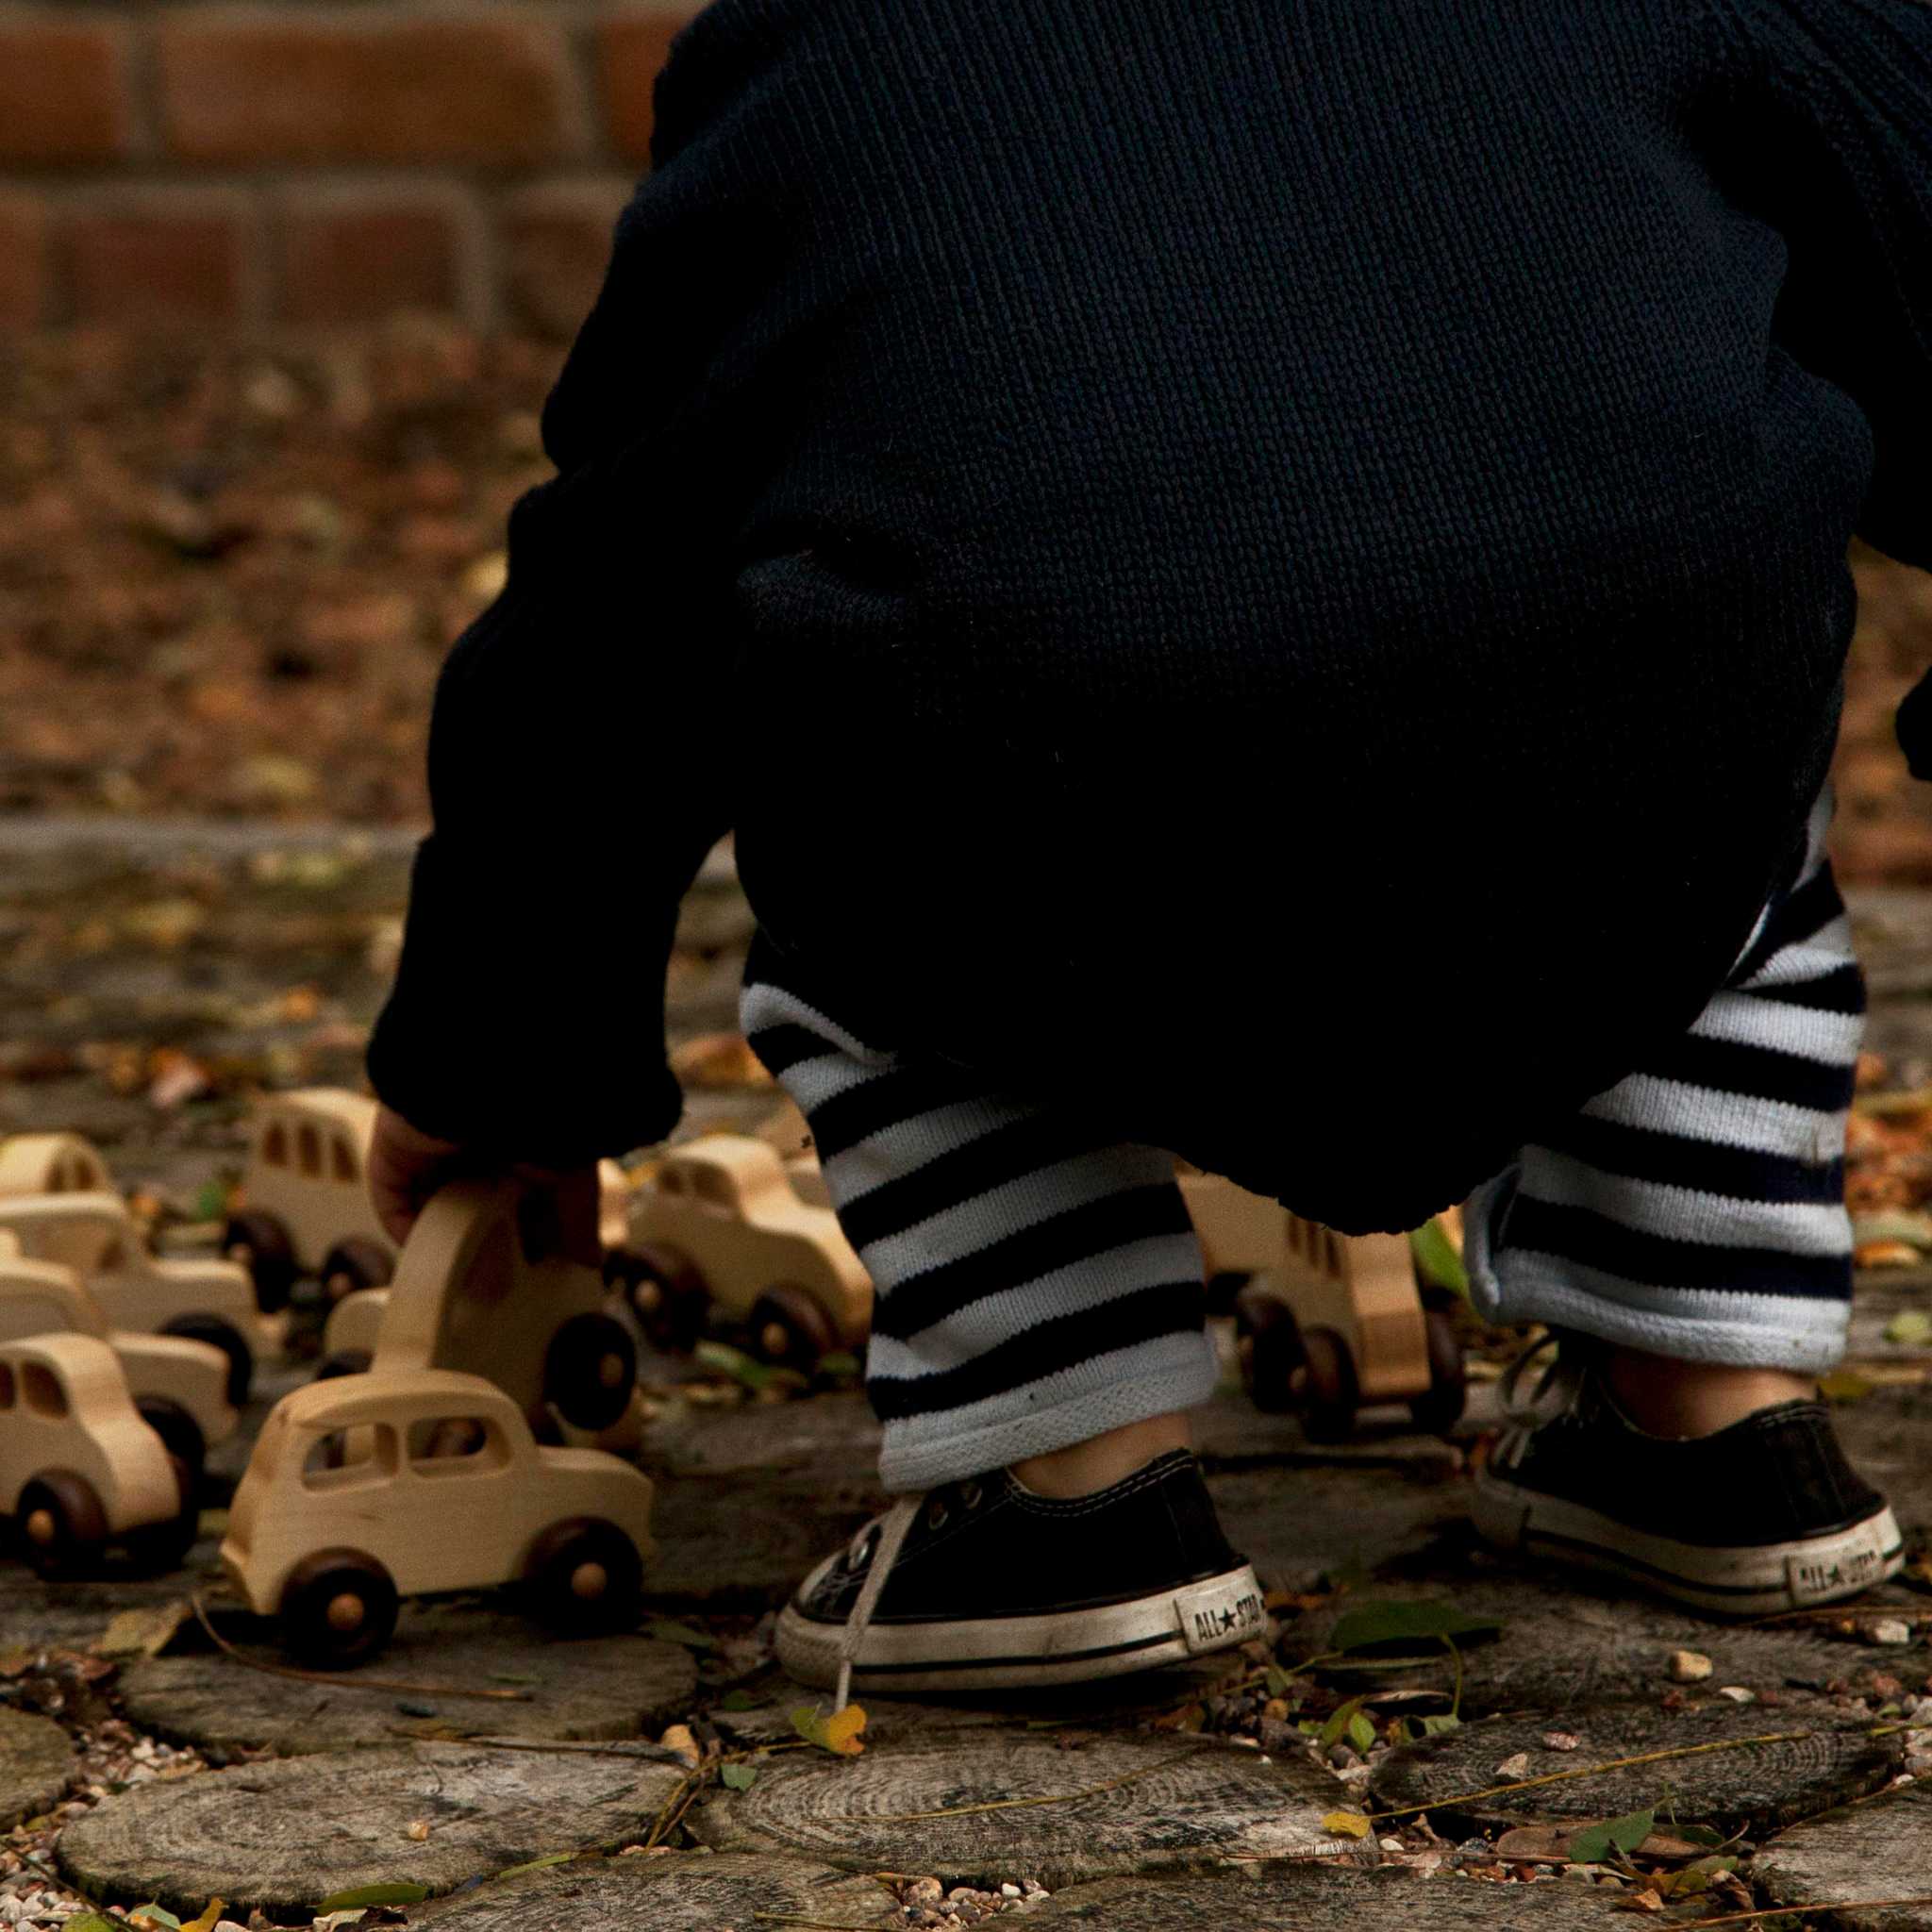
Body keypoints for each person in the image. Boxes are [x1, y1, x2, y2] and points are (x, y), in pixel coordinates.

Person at [362, 0, 1930, 1697]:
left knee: (868, 811)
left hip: (1044, 813)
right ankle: (1713, 1413)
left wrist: (503, 1064)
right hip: (1626, 789)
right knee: (1709, 721)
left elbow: (621, 589)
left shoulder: (812, 49)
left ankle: (1064, 1483)